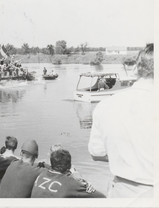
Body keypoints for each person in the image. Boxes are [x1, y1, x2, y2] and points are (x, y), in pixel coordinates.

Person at [88, 43, 154, 198]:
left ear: (136, 69)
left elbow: (96, 152)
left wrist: (128, 155)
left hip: (122, 193)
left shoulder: (105, 105)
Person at [31, 149, 105, 198]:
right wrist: (82, 182)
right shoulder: (71, 183)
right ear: (69, 166)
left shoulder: (40, 174)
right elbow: (101, 197)